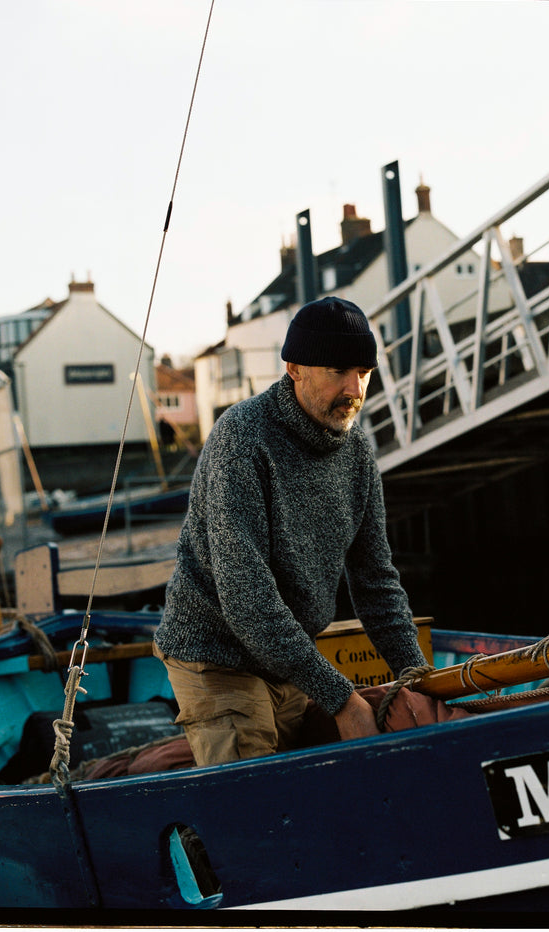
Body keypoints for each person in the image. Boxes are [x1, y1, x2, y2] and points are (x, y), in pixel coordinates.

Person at [153, 296, 427, 765]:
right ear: (294, 368)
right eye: (337, 371)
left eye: (364, 372)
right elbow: (246, 596)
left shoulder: (357, 452)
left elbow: (376, 583)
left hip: (286, 661)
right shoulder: (242, 438)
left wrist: (418, 679)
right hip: (216, 655)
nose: (354, 388)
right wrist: (341, 698)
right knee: (256, 799)